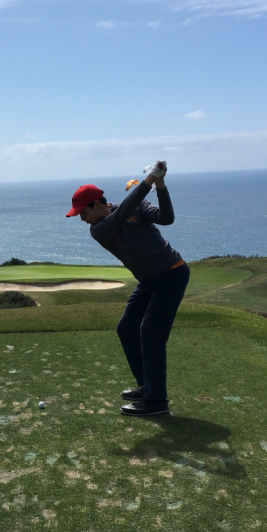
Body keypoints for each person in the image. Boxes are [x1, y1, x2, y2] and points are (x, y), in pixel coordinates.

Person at [66, 161, 189, 416]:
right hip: (149, 281)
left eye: (82, 212)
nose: (81, 218)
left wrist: (161, 185)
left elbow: (167, 218)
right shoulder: (98, 229)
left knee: (150, 332)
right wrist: (149, 181)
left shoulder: (137, 206)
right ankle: (147, 387)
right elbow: (122, 215)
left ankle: (156, 402)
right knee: (127, 328)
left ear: (96, 203)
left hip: (172, 273)